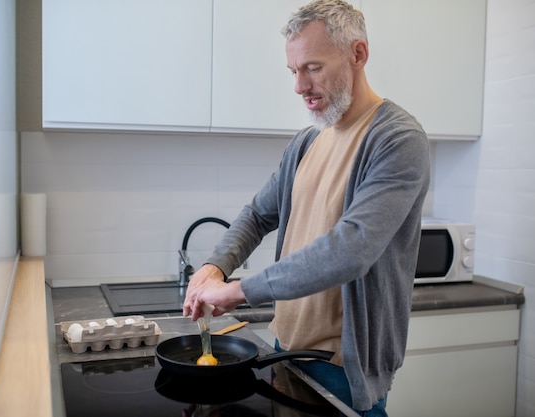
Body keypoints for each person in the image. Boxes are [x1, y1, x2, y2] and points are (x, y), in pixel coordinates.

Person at [182, 0, 430, 415]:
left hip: (341, 365)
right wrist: (216, 266)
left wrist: (240, 291)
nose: (299, 86)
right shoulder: (307, 141)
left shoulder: (397, 140)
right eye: (293, 71)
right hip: (285, 348)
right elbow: (259, 214)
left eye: (313, 68)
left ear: (358, 54)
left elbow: (351, 248)